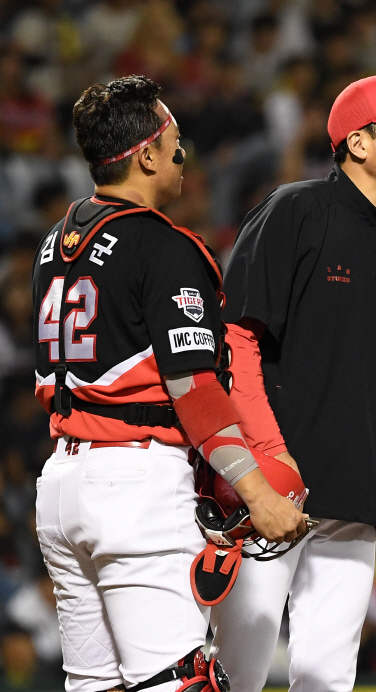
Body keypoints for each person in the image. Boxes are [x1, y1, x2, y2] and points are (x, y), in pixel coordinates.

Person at [32, 75, 306, 692]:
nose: (185, 155)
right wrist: (258, 493)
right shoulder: (165, 245)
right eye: (176, 141)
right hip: (134, 484)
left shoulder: (56, 240)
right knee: (175, 682)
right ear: (148, 154)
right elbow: (194, 386)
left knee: (93, 685)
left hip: (62, 481)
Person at [210, 74, 376, 692]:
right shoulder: (294, 211)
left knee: (328, 678)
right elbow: (236, 342)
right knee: (234, 674)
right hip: (267, 500)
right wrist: (268, 460)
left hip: (355, 501)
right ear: (357, 143)